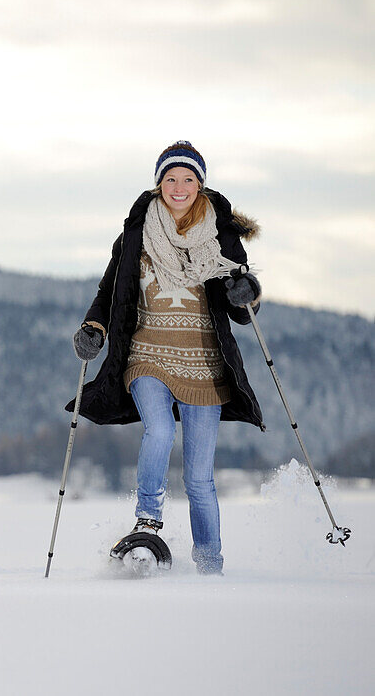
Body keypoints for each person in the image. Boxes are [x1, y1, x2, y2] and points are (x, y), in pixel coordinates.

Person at [69, 141, 263, 574]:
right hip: (147, 354)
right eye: (171, 178)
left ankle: (210, 566)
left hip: (203, 362)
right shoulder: (136, 233)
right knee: (158, 431)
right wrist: (93, 328)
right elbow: (109, 290)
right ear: (159, 183)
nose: (179, 187)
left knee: (199, 479)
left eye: (188, 178)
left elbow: (241, 306)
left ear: (201, 184)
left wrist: (245, 293)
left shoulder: (221, 236)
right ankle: (148, 520)